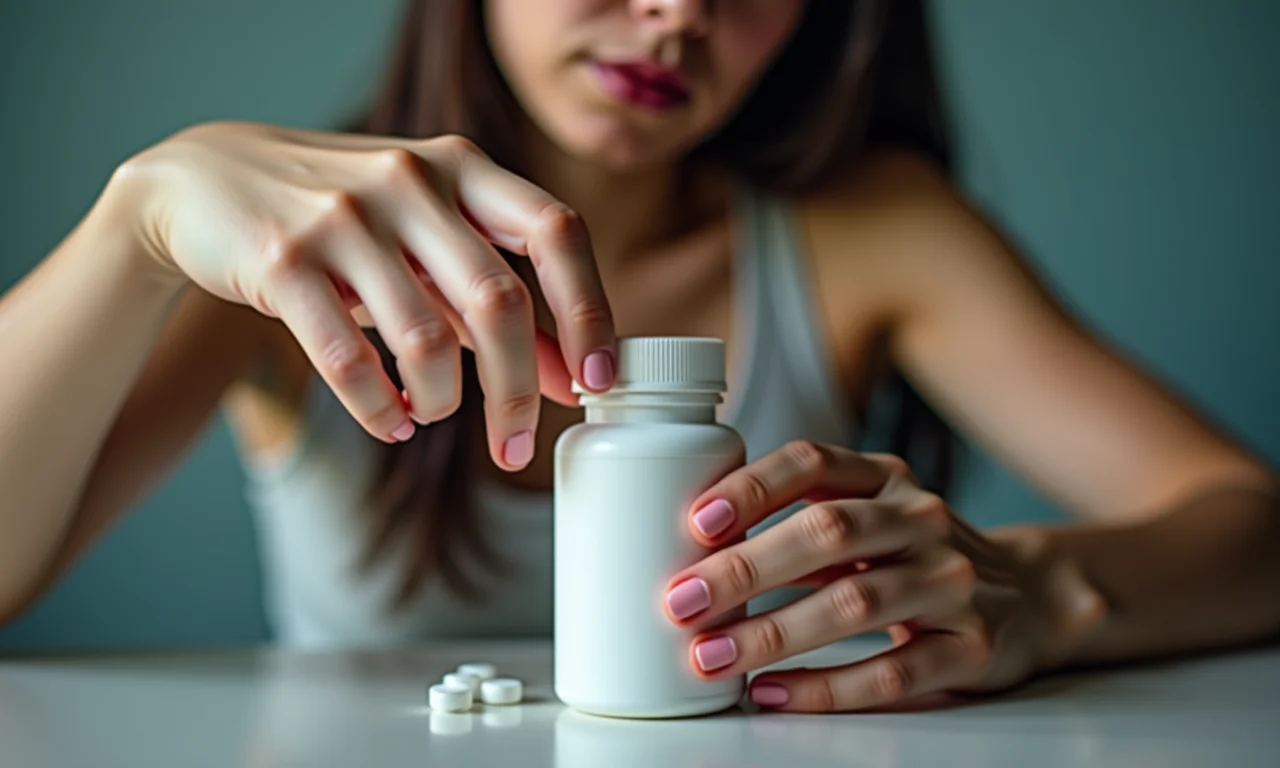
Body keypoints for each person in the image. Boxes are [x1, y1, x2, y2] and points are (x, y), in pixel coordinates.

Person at [0, 0, 1276, 713]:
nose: (674, 15)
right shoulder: (296, 249)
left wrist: (1043, 592)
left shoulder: (873, 230)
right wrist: (137, 224)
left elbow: (1249, 531)